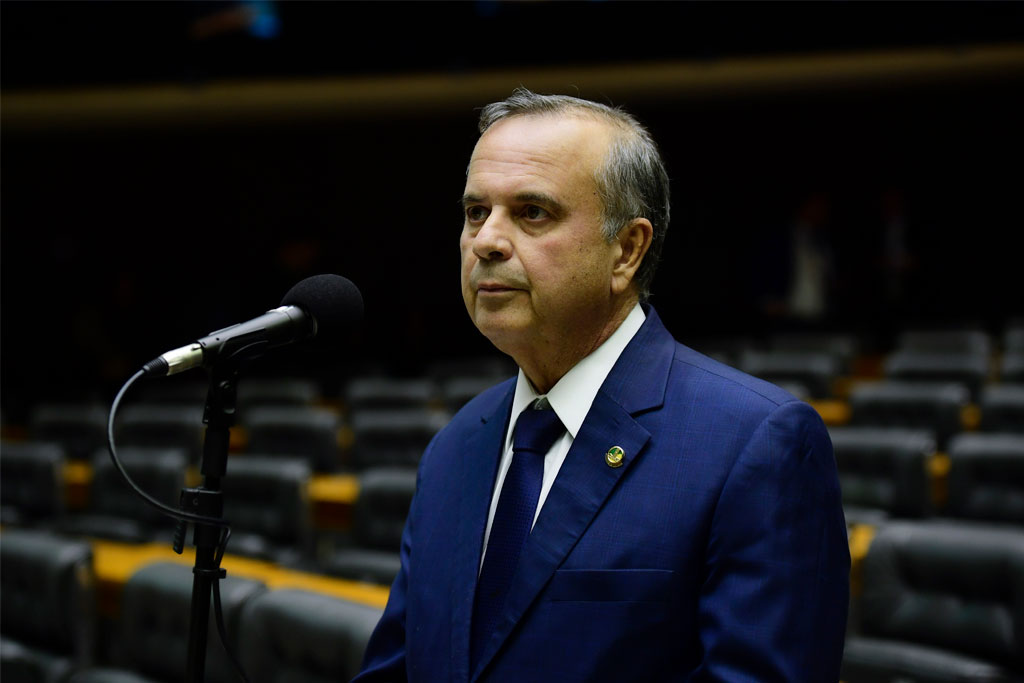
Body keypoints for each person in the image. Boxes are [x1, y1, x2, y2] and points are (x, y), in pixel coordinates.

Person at [354, 89, 849, 682]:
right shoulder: (455, 446)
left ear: (627, 250)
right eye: (475, 212)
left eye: (532, 212)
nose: (486, 240)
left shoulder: (756, 444)